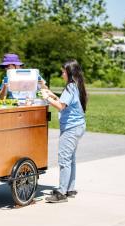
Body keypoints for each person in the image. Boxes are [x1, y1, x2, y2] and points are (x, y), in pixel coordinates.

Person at [41, 59, 87, 203]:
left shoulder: (70, 87)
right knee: (70, 159)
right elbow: (64, 102)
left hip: (71, 128)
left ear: (69, 72)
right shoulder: (76, 86)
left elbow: (61, 107)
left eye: (63, 72)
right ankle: (69, 188)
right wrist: (52, 95)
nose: (61, 74)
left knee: (64, 159)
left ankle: (61, 193)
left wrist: (47, 98)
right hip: (78, 126)